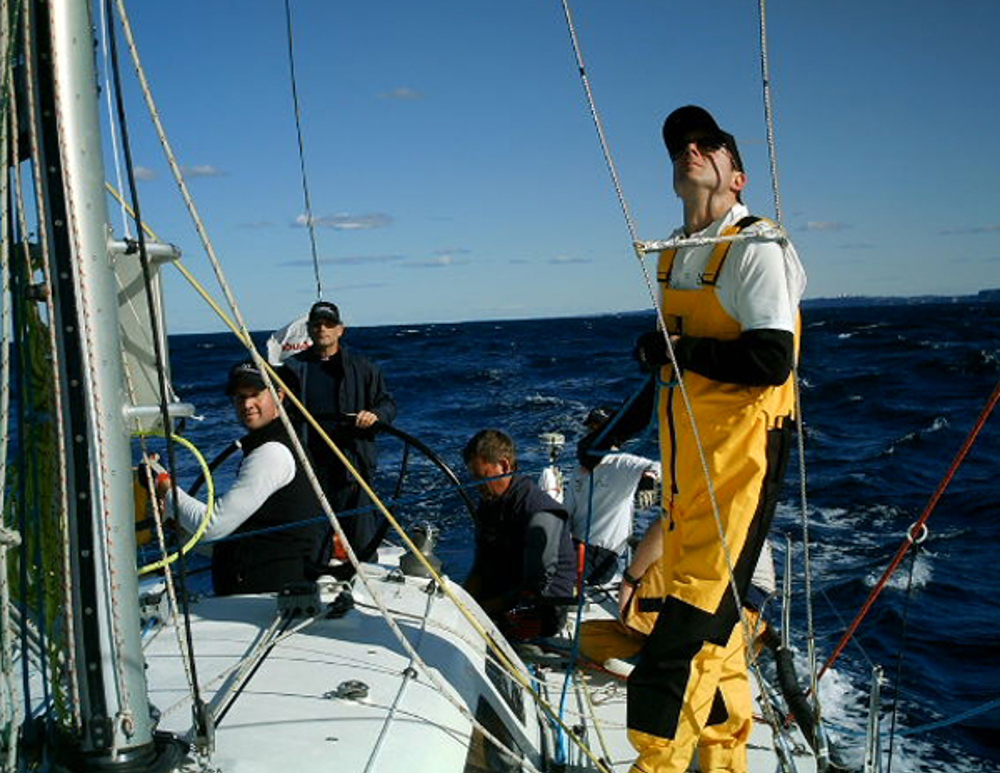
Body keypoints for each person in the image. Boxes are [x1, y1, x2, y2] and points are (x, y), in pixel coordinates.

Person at [627, 105, 805, 773]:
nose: (690, 151)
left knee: (681, 646)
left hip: (739, 473)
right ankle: (727, 762)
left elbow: (769, 360)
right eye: (681, 146)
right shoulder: (678, 254)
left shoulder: (759, 246)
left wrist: (678, 351)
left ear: (737, 177)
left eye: (707, 145)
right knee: (721, 642)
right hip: (686, 480)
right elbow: (680, 365)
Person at [154, 360, 324, 596]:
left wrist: (166, 490)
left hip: (269, 595)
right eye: (239, 397)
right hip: (275, 581)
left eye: (255, 395)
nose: (247, 404)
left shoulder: (271, 452)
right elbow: (257, 528)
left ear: (279, 396)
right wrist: (183, 525)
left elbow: (212, 527)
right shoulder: (280, 442)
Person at [284, 300, 397, 562]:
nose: (323, 328)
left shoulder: (363, 368)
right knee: (313, 548)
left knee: (363, 545)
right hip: (310, 471)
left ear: (340, 330)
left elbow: (387, 404)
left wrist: (376, 415)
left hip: (353, 469)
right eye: (317, 324)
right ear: (309, 329)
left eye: (329, 324)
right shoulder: (291, 369)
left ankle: (365, 598)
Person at [462, 429, 578, 641]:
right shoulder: (489, 503)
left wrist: (479, 611)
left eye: (481, 477)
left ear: (505, 466)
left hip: (542, 607)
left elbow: (535, 586)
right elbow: (482, 562)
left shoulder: (540, 512)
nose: (477, 486)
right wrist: (462, 601)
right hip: (505, 590)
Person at [564, 405, 660, 586]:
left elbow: (656, 466)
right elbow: (566, 514)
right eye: (590, 429)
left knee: (555, 575)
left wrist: (649, 478)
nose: (592, 433)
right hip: (574, 547)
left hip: (601, 557)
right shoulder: (579, 471)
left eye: (598, 429)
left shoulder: (622, 463)